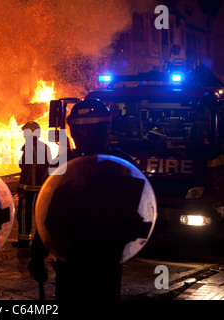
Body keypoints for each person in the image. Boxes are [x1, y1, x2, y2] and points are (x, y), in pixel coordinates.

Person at [28, 99, 135, 300]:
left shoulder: (61, 165)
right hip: (104, 260)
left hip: (74, 258)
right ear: (108, 129)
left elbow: (48, 217)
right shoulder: (123, 165)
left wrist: (37, 256)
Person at [12, 121, 52, 249]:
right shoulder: (45, 147)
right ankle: (41, 243)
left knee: (24, 214)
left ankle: (23, 243)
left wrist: (21, 187)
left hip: (28, 187)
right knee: (41, 215)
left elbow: (27, 170)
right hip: (41, 187)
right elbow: (48, 166)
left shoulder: (29, 147)